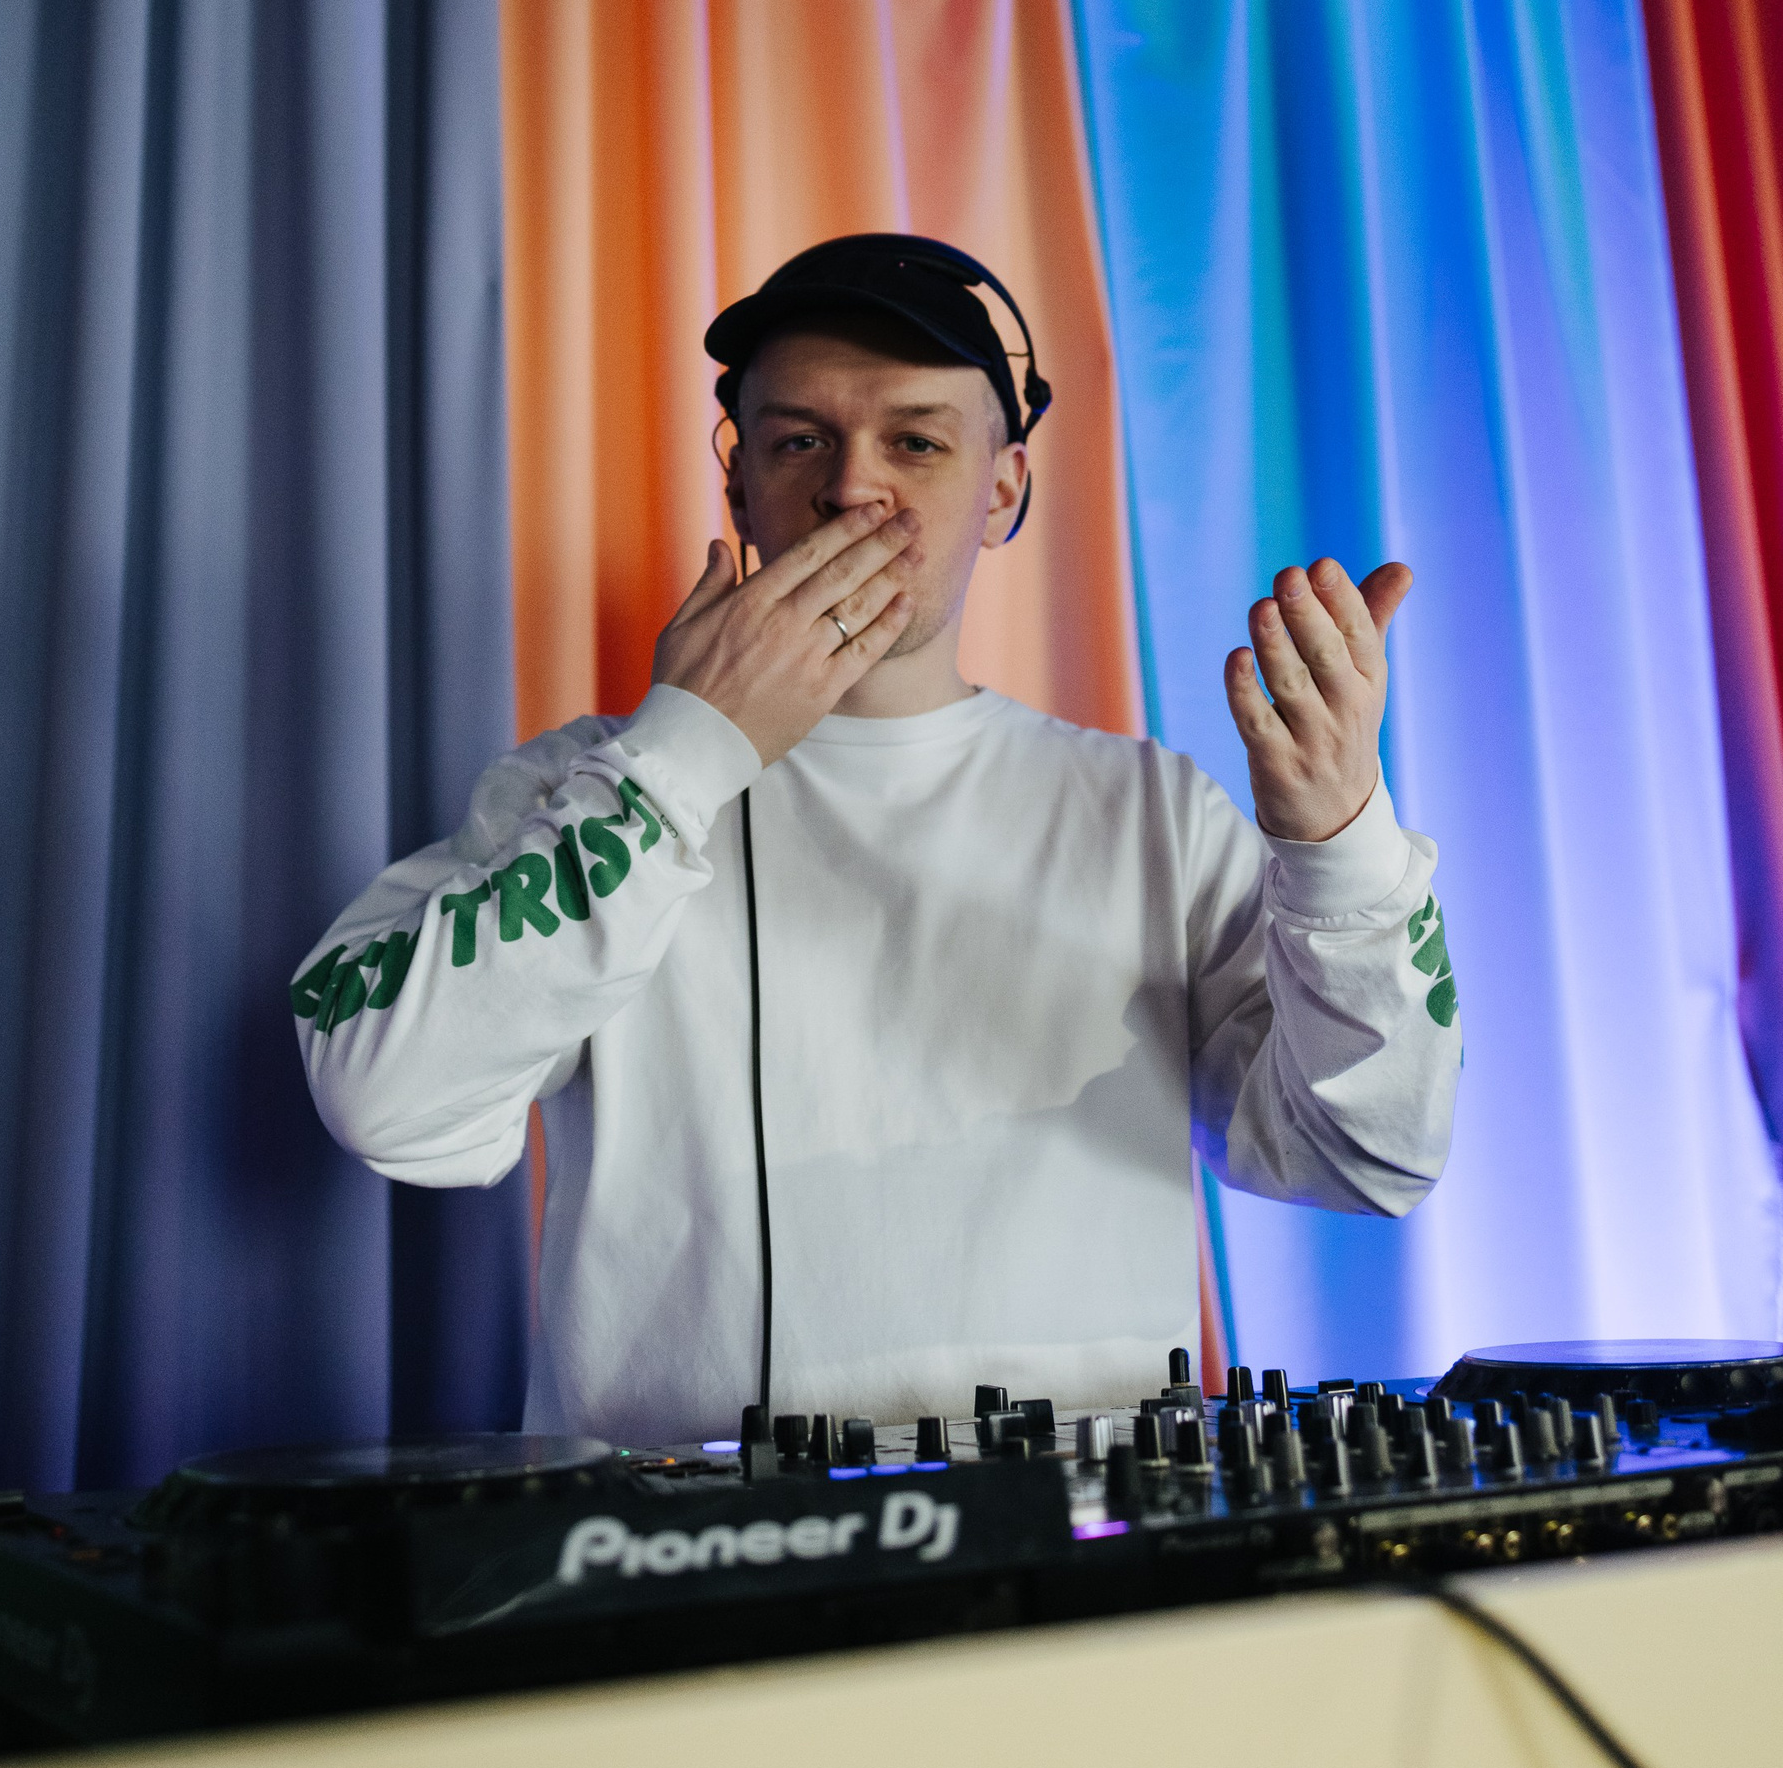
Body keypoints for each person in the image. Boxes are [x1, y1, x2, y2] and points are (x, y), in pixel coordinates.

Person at [294, 234, 1457, 1439]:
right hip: (684, 1543)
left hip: (1084, 1536)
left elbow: (1373, 1157)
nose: (854, 487)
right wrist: (684, 754)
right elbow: (387, 1096)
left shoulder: (1153, 811)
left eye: (916, 441)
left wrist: (1340, 843)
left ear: (1002, 488)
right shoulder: (576, 788)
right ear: (739, 484)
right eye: (800, 440)